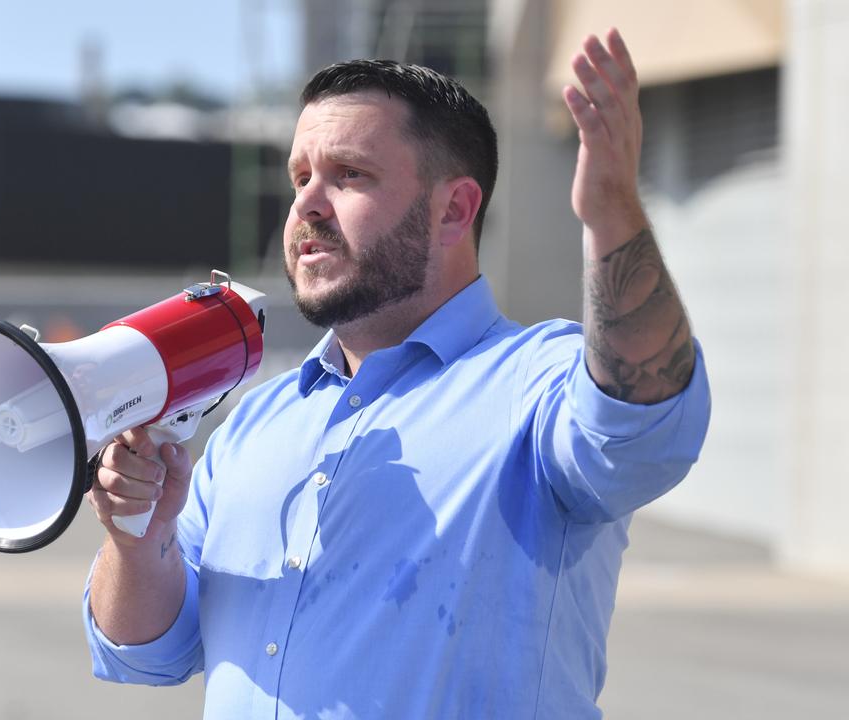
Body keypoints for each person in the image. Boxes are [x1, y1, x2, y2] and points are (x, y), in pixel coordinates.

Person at [83, 28, 710, 719]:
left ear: (454, 210)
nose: (307, 205)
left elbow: (643, 425)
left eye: (350, 174)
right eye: (301, 176)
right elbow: (143, 653)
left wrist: (612, 215)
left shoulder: (537, 383)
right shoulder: (257, 422)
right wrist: (135, 539)